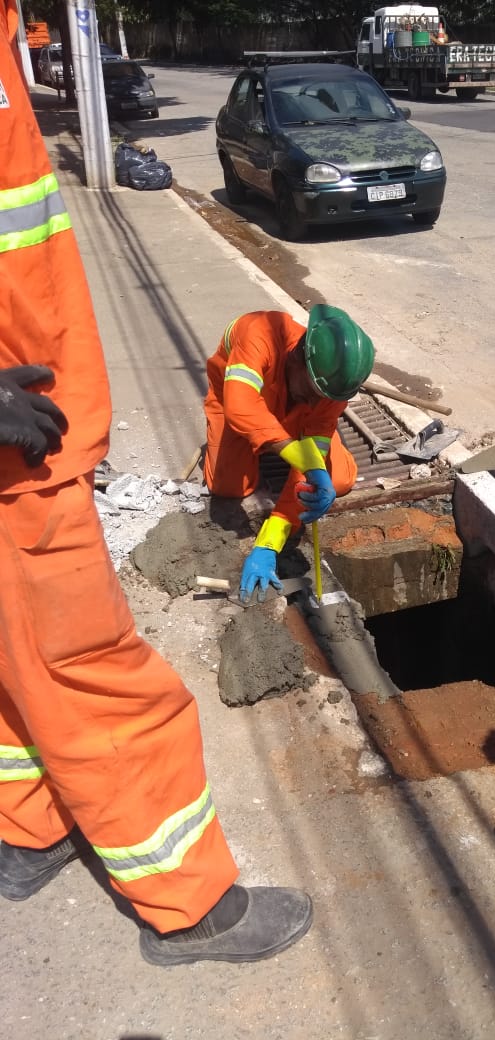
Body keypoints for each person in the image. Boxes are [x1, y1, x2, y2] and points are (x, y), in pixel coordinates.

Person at [0, 0, 312, 965]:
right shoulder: (260, 348)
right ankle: (193, 903)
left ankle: (28, 824)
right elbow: (256, 426)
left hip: (33, 434)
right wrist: (262, 529)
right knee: (98, 673)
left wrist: (298, 499)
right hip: (21, 456)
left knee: (16, 663)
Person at [203, 306, 375, 600]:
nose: (316, 403)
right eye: (312, 394)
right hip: (237, 399)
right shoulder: (259, 332)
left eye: (324, 399)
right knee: (227, 486)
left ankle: (276, 439)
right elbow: (240, 406)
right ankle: (263, 438)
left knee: (339, 481)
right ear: (298, 359)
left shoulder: (330, 389)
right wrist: (295, 453)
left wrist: (269, 542)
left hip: (290, 413)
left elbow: (313, 446)